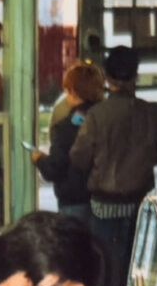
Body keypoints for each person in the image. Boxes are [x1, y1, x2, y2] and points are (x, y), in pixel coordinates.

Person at [69, 45, 157, 286]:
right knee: (136, 260)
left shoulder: (97, 116)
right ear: (135, 77)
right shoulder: (154, 114)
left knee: (105, 259)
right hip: (140, 201)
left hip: (105, 202)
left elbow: (78, 157)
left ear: (107, 79)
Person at [29, 61, 105, 229]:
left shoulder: (65, 127)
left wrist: (39, 159)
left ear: (72, 91)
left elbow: (55, 169)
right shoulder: (107, 119)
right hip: (105, 201)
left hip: (74, 201)